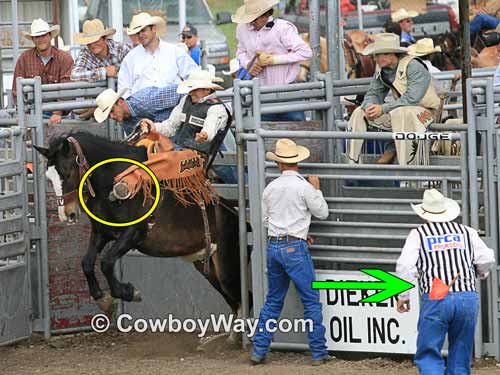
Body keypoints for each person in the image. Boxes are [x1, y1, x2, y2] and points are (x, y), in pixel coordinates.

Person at [396, 188, 495, 374]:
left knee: (429, 351)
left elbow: (405, 265)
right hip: (467, 296)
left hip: (436, 295)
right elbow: (486, 259)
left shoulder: (419, 234)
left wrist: (404, 295)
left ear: (424, 214)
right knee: (461, 350)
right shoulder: (467, 232)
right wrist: (480, 273)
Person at [250, 138, 330, 366]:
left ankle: (259, 350)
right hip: (295, 248)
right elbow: (322, 212)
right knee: (311, 301)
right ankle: (318, 352)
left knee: (273, 300)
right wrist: (317, 190)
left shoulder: (270, 188)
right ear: (297, 162)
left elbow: (266, 220)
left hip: (274, 245)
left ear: (279, 164)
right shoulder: (304, 187)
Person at [347, 33, 441, 166]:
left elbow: (412, 98)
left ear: (393, 54)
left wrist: (383, 108)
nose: (377, 58)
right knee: (359, 112)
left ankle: (408, 167)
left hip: (429, 112)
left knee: (402, 114)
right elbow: (374, 92)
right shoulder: (382, 70)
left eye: (382, 54)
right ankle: (353, 163)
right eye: (377, 55)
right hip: (402, 112)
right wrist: (369, 106)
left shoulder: (413, 66)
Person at [136, 70, 236, 183]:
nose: (191, 92)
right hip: (186, 149)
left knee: (232, 177)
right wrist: (153, 127)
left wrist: (204, 135)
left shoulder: (216, 108)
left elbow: (210, 127)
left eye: (194, 89)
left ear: (207, 90)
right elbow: (171, 126)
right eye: (191, 89)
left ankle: (247, 196)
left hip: (210, 151)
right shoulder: (186, 100)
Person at [233, 0, 312, 121]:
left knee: (296, 132)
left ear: (266, 15)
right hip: (260, 92)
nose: (252, 22)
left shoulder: (282, 28)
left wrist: (274, 60)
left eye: (255, 18)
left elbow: (305, 52)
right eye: (250, 18)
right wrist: (249, 64)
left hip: (287, 91)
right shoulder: (242, 28)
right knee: (262, 133)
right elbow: (240, 51)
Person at [118, 12, 199, 99]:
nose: (140, 35)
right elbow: (124, 90)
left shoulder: (175, 52)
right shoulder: (130, 58)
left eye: (143, 30)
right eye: (137, 33)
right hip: (143, 109)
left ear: (153, 29)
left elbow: (193, 75)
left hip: (174, 106)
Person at [12, 18, 73, 125]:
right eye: (37, 36)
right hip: (32, 112)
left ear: (50, 36)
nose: (40, 39)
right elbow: (16, 91)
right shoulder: (24, 58)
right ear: (33, 39)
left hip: (61, 114)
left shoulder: (64, 58)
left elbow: (67, 89)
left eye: (43, 35)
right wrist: (24, 114)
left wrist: (58, 112)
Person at [92, 85, 181, 135]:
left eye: (112, 111)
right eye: (108, 116)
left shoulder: (146, 100)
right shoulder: (124, 122)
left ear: (120, 102)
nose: (112, 116)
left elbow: (182, 92)